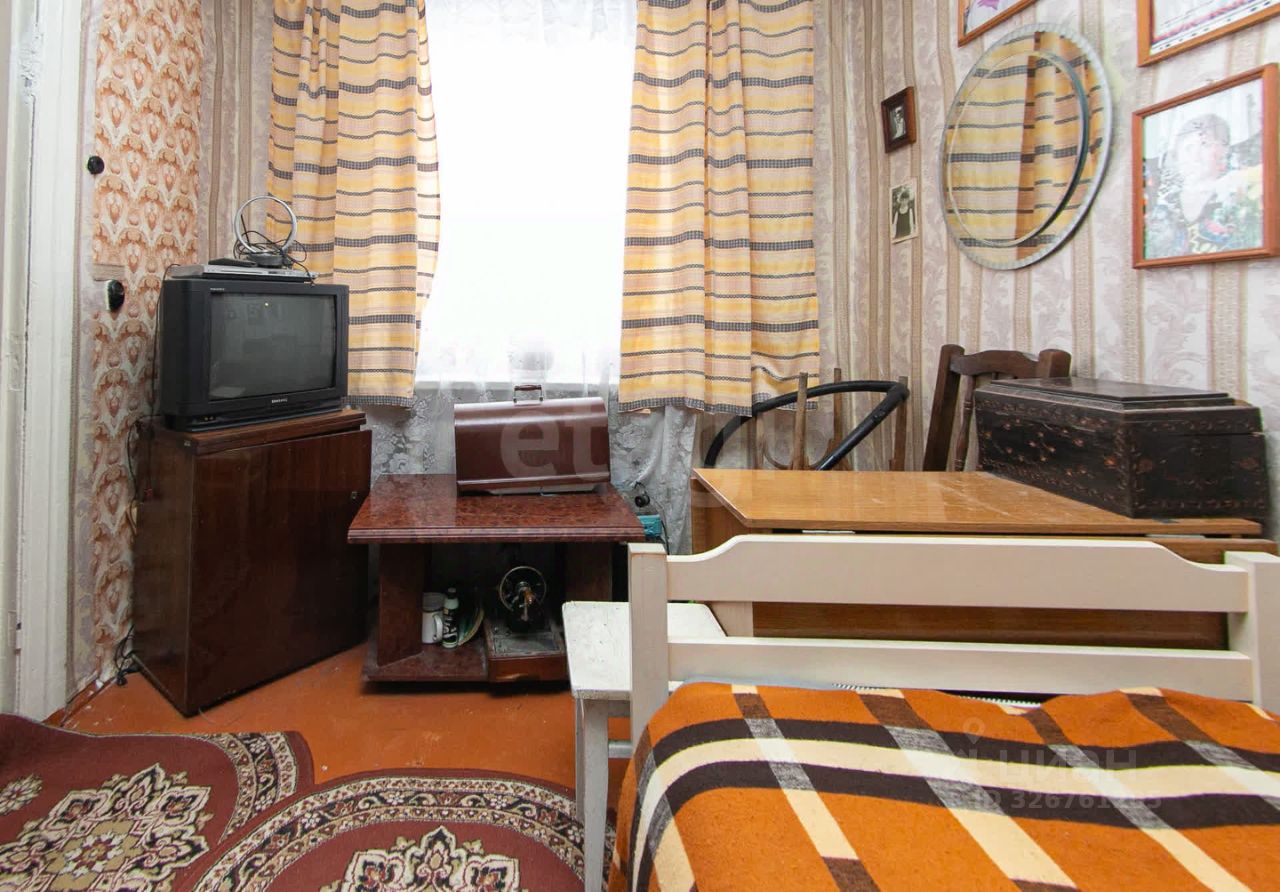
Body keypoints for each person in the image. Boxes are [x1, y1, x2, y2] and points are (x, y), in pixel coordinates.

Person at [1145, 112, 1262, 258]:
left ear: (1224, 151)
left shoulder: (1238, 196)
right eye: (1188, 147)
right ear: (1177, 155)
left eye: (1204, 145)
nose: (1195, 155)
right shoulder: (1164, 207)